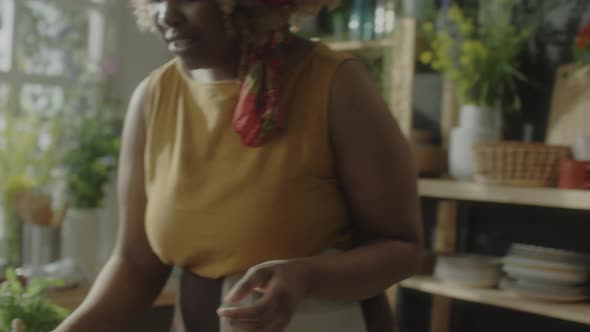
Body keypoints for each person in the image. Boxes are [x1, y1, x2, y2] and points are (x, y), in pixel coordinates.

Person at [54, 0, 424, 331]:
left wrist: (307, 278)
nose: (165, 14)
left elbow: (403, 248)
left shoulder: (336, 84)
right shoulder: (153, 97)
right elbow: (136, 265)